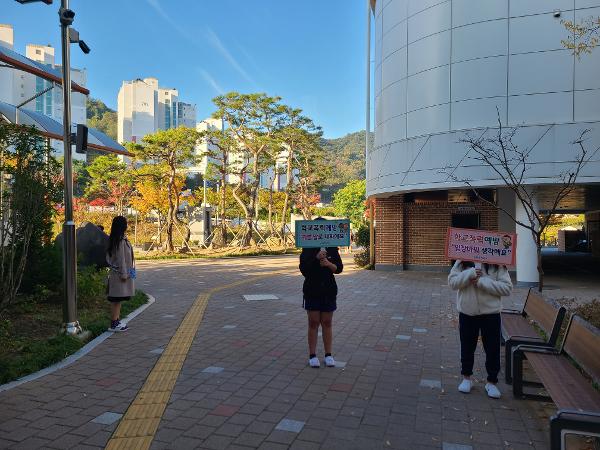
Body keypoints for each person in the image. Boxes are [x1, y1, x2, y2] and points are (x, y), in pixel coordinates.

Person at [448, 260, 512, 398]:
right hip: (467, 312)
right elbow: (452, 283)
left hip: (491, 314)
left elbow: (507, 288)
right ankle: (466, 378)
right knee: (467, 345)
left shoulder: (497, 262)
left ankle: (492, 382)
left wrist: (482, 282)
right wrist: (469, 274)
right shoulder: (462, 260)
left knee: (492, 348)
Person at [299, 241, 343, 368]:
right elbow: (304, 270)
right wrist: (316, 258)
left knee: (327, 322)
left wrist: (329, 264)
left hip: (328, 290)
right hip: (312, 290)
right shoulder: (307, 247)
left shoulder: (332, 247)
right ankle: (312, 355)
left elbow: (339, 268)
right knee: (313, 322)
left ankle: (328, 354)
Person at [106, 216, 135, 332]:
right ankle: (114, 323)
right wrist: (124, 274)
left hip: (122, 273)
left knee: (118, 299)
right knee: (116, 299)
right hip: (120, 274)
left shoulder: (119, 239)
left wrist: (131, 274)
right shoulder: (119, 241)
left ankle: (116, 321)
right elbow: (121, 259)